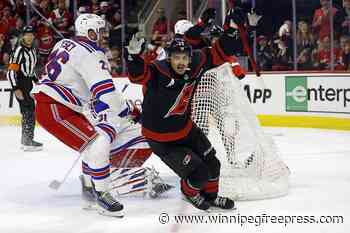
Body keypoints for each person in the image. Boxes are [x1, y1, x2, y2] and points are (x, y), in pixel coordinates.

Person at [124, 9, 246, 211]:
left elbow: (221, 51)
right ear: (169, 58)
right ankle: (189, 193)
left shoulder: (197, 62)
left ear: (190, 58)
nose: (180, 62)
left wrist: (232, 29)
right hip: (161, 138)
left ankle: (211, 196)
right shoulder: (158, 71)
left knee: (213, 165)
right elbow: (137, 75)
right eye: (176, 58)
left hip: (186, 129)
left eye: (184, 58)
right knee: (198, 174)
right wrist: (132, 56)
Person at [32, 13, 131, 217]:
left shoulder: (64, 43)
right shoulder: (92, 53)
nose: (103, 36)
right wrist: (124, 110)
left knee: (93, 145)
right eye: (100, 32)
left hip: (56, 103)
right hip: (55, 106)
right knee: (97, 145)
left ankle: (89, 190)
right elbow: (105, 91)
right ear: (90, 32)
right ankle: (102, 195)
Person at [6, 26, 43, 151]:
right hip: (20, 83)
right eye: (27, 34)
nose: (29, 36)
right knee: (28, 110)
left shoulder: (32, 49)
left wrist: (36, 81)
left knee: (30, 110)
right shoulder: (19, 50)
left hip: (28, 83)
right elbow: (11, 71)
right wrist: (16, 88)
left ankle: (26, 139)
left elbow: (31, 70)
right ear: (23, 36)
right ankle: (27, 141)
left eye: (31, 34)